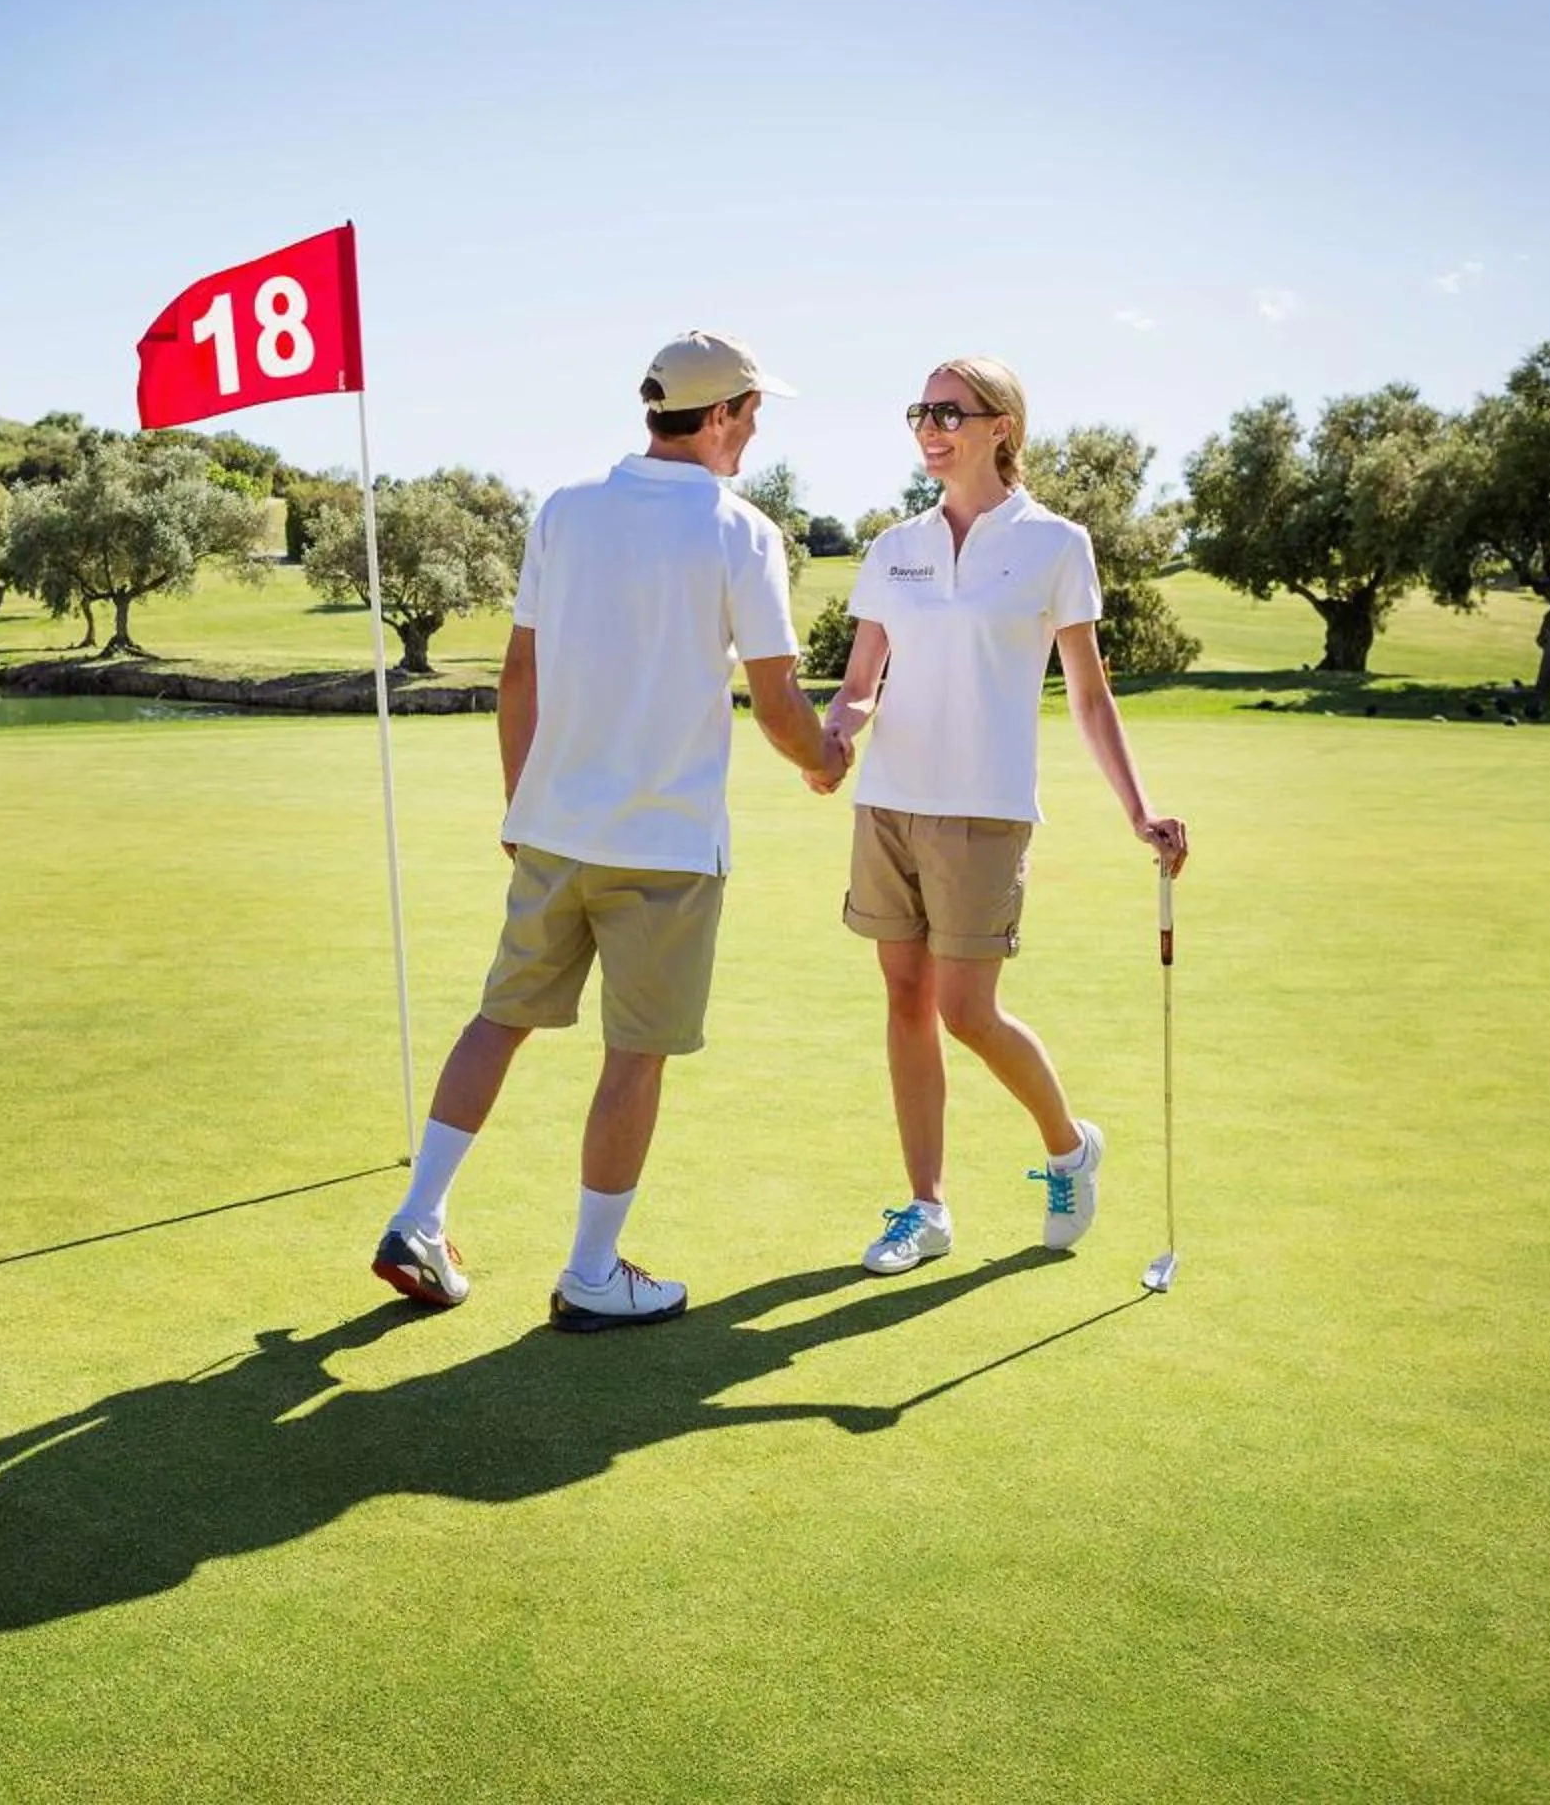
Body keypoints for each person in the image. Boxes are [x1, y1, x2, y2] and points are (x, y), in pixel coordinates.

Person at [370, 332, 849, 1331]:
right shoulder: (741, 531)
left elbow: (517, 678)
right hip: (666, 851)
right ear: (717, 416)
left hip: (553, 831)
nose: (756, 429)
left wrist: (521, 803)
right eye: (752, 412)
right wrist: (828, 755)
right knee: (634, 1054)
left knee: (498, 1017)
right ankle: (591, 1273)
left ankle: (420, 1216)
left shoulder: (566, 511)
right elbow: (777, 703)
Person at [821, 356, 1188, 1275]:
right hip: (889, 807)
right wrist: (834, 736)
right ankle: (926, 1208)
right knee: (904, 1001)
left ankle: (1069, 1145)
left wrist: (1139, 810)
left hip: (983, 811)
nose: (930, 427)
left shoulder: (1055, 544)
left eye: (951, 411)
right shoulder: (892, 546)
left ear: (1002, 426)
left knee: (966, 1011)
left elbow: (1091, 695)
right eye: (920, 411)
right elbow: (861, 682)